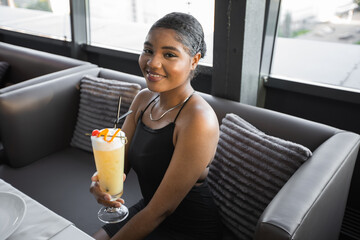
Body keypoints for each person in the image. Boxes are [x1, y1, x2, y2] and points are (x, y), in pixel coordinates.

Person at [90, 12, 221, 240]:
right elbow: (119, 164)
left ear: (194, 60)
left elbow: (162, 210)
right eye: (148, 50)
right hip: (148, 208)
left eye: (169, 54)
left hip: (189, 227)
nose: (152, 63)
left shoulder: (199, 119)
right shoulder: (143, 99)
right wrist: (101, 184)